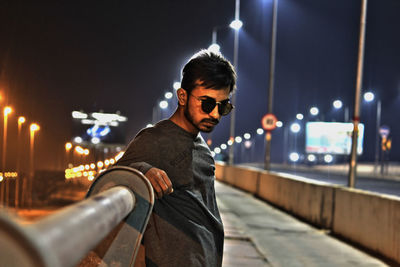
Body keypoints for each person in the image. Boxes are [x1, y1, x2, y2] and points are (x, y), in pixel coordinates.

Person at [116, 49, 236, 267]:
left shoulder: (202, 150)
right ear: (182, 97)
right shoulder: (155, 140)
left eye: (223, 106)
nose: (215, 114)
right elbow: (106, 184)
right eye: (207, 103)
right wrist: (142, 172)